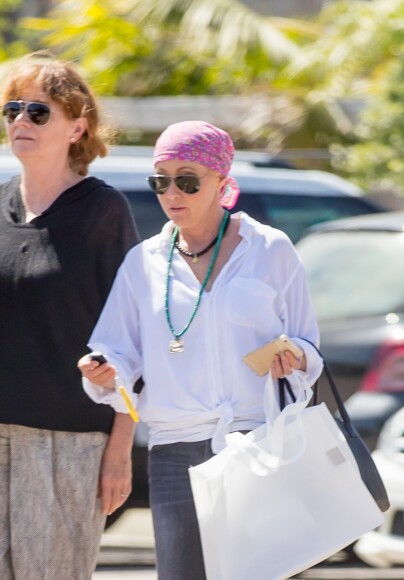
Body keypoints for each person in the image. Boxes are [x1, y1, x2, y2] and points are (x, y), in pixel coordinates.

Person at [0, 52, 139, 580]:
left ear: (77, 125)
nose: (20, 121)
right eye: (12, 110)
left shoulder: (103, 212)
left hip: (66, 441)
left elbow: (134, 342)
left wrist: (120, 451)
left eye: (39, 112)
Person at [78, 120, 323, 580]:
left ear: (221, 182)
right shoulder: (142, 262)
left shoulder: (270, 249)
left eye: (187, 181)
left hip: (258, 443)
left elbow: (309, 342)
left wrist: (297, 357)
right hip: (175, 449)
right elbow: (118, 350)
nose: (173, 193)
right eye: (161, 181)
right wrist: (106, 371)